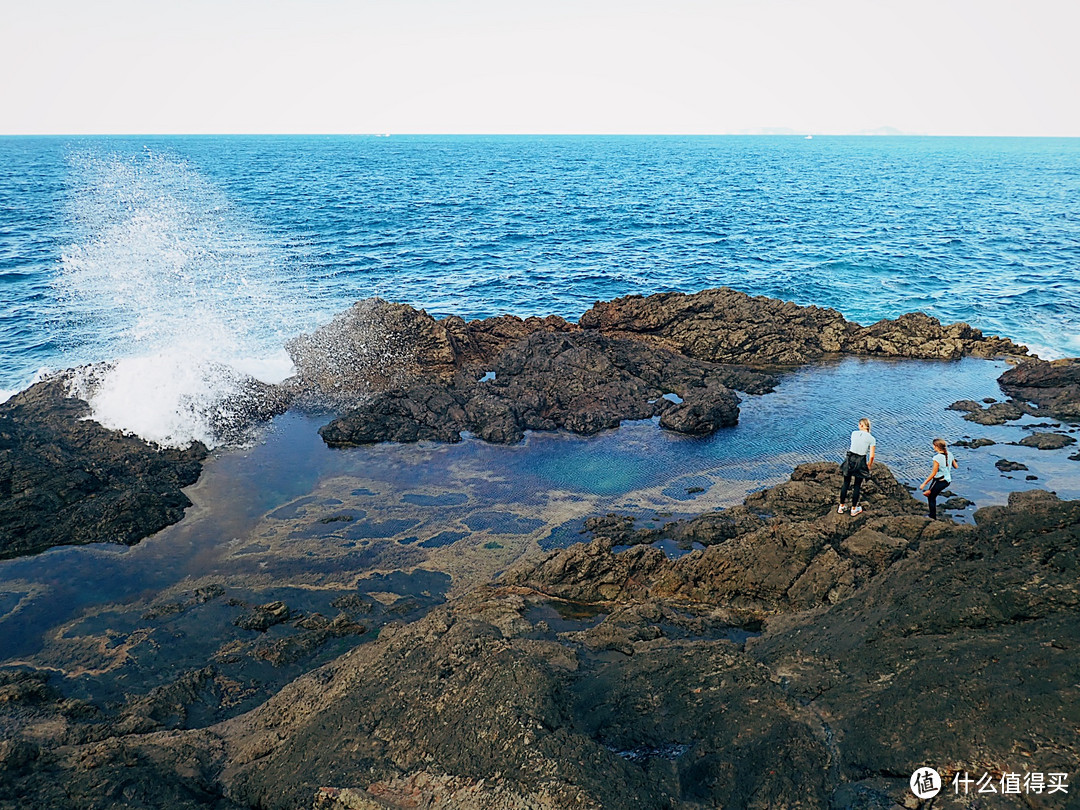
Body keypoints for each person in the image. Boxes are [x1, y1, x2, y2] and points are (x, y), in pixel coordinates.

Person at [837, 418, 876, 516]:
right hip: (860, 461)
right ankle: (853, 509)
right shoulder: (872, 439)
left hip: (850, 459)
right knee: (857, 486)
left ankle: (841, 506)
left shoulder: (854, 433)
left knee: (846, 483)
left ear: (861, 425)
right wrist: (869, 465)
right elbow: (871, 456)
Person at [920, 438, 958, 519]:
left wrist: (924, 483)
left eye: (934, 445)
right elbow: (956, 466)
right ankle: (932, 514)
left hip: (939, 481)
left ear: (937, 446)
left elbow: (933, 473)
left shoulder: (936, 458)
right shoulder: (950, 454)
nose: (933, 447)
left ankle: (932, 517)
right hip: (947, 480)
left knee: (931, 498)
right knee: (931, 495)